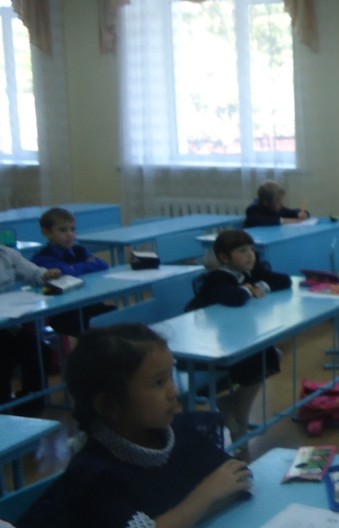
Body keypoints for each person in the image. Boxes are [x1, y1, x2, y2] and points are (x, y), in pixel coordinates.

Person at [18, 324, 253, 528]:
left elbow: (240, 479)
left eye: (170, 376)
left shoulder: (181, 431)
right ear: (110, 405)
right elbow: (217, 488)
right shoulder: (97, 475)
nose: (173, 392)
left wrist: (185, 515)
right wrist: (206, 495)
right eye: (158, 383)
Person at [184, 229, 292, 443]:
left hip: (234, 337)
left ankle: (235, 409)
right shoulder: (217, 278)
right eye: (242, 251)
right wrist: (252, 289)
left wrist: (260, 285)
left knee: (270, 355)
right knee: (266, 357)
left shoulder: (247, 273)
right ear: (225, 258)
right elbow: (235, 297)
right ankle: (239, 416)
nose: (250, 255)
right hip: (207, 347)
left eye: (251, 250)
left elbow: (284, 280)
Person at [31, 207, 115, 335]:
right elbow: (66, 272)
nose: (70, 234)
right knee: (93, 326)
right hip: (63, 311)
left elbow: (102, 265)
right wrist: (85, 265)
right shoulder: (43, 257)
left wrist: (75, 268)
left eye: (73, 229)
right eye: (63, 230)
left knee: (113, 313)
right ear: (47, 233)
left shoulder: (79, 250)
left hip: (88, 301)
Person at [0, 246, 61, 416]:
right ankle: (4, 409)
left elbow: (34, 273)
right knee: (2, 361)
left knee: (39, 351)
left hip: (8, 325)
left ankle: (30, 407)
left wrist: (47, 275)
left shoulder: (6, 254)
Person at [243, 180, 310, 227]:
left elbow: (289, 212)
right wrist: (283, 220)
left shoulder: (278, 208)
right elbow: (257, 220)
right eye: (277, 203)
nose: (281, 205)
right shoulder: (253, 209)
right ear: (266, 203)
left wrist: (299, 213)